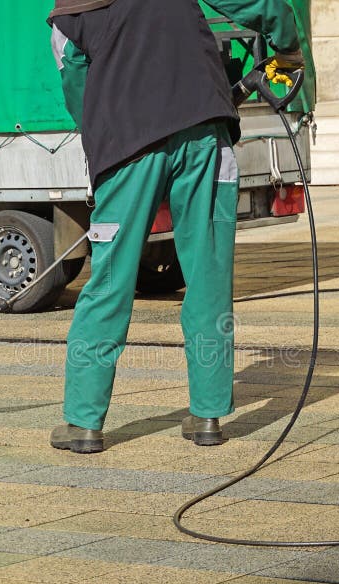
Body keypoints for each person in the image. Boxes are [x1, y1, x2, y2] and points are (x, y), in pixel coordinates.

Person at [48, 0, 303, 453]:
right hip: (204, 133)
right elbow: (258, 3)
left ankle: (84, 423)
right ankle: (208, 415)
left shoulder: (71, 10)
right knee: (208, 277)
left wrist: (107, 139)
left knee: (109, 282)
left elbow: (76, 83)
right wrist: (287, 50)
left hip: (128, 147)